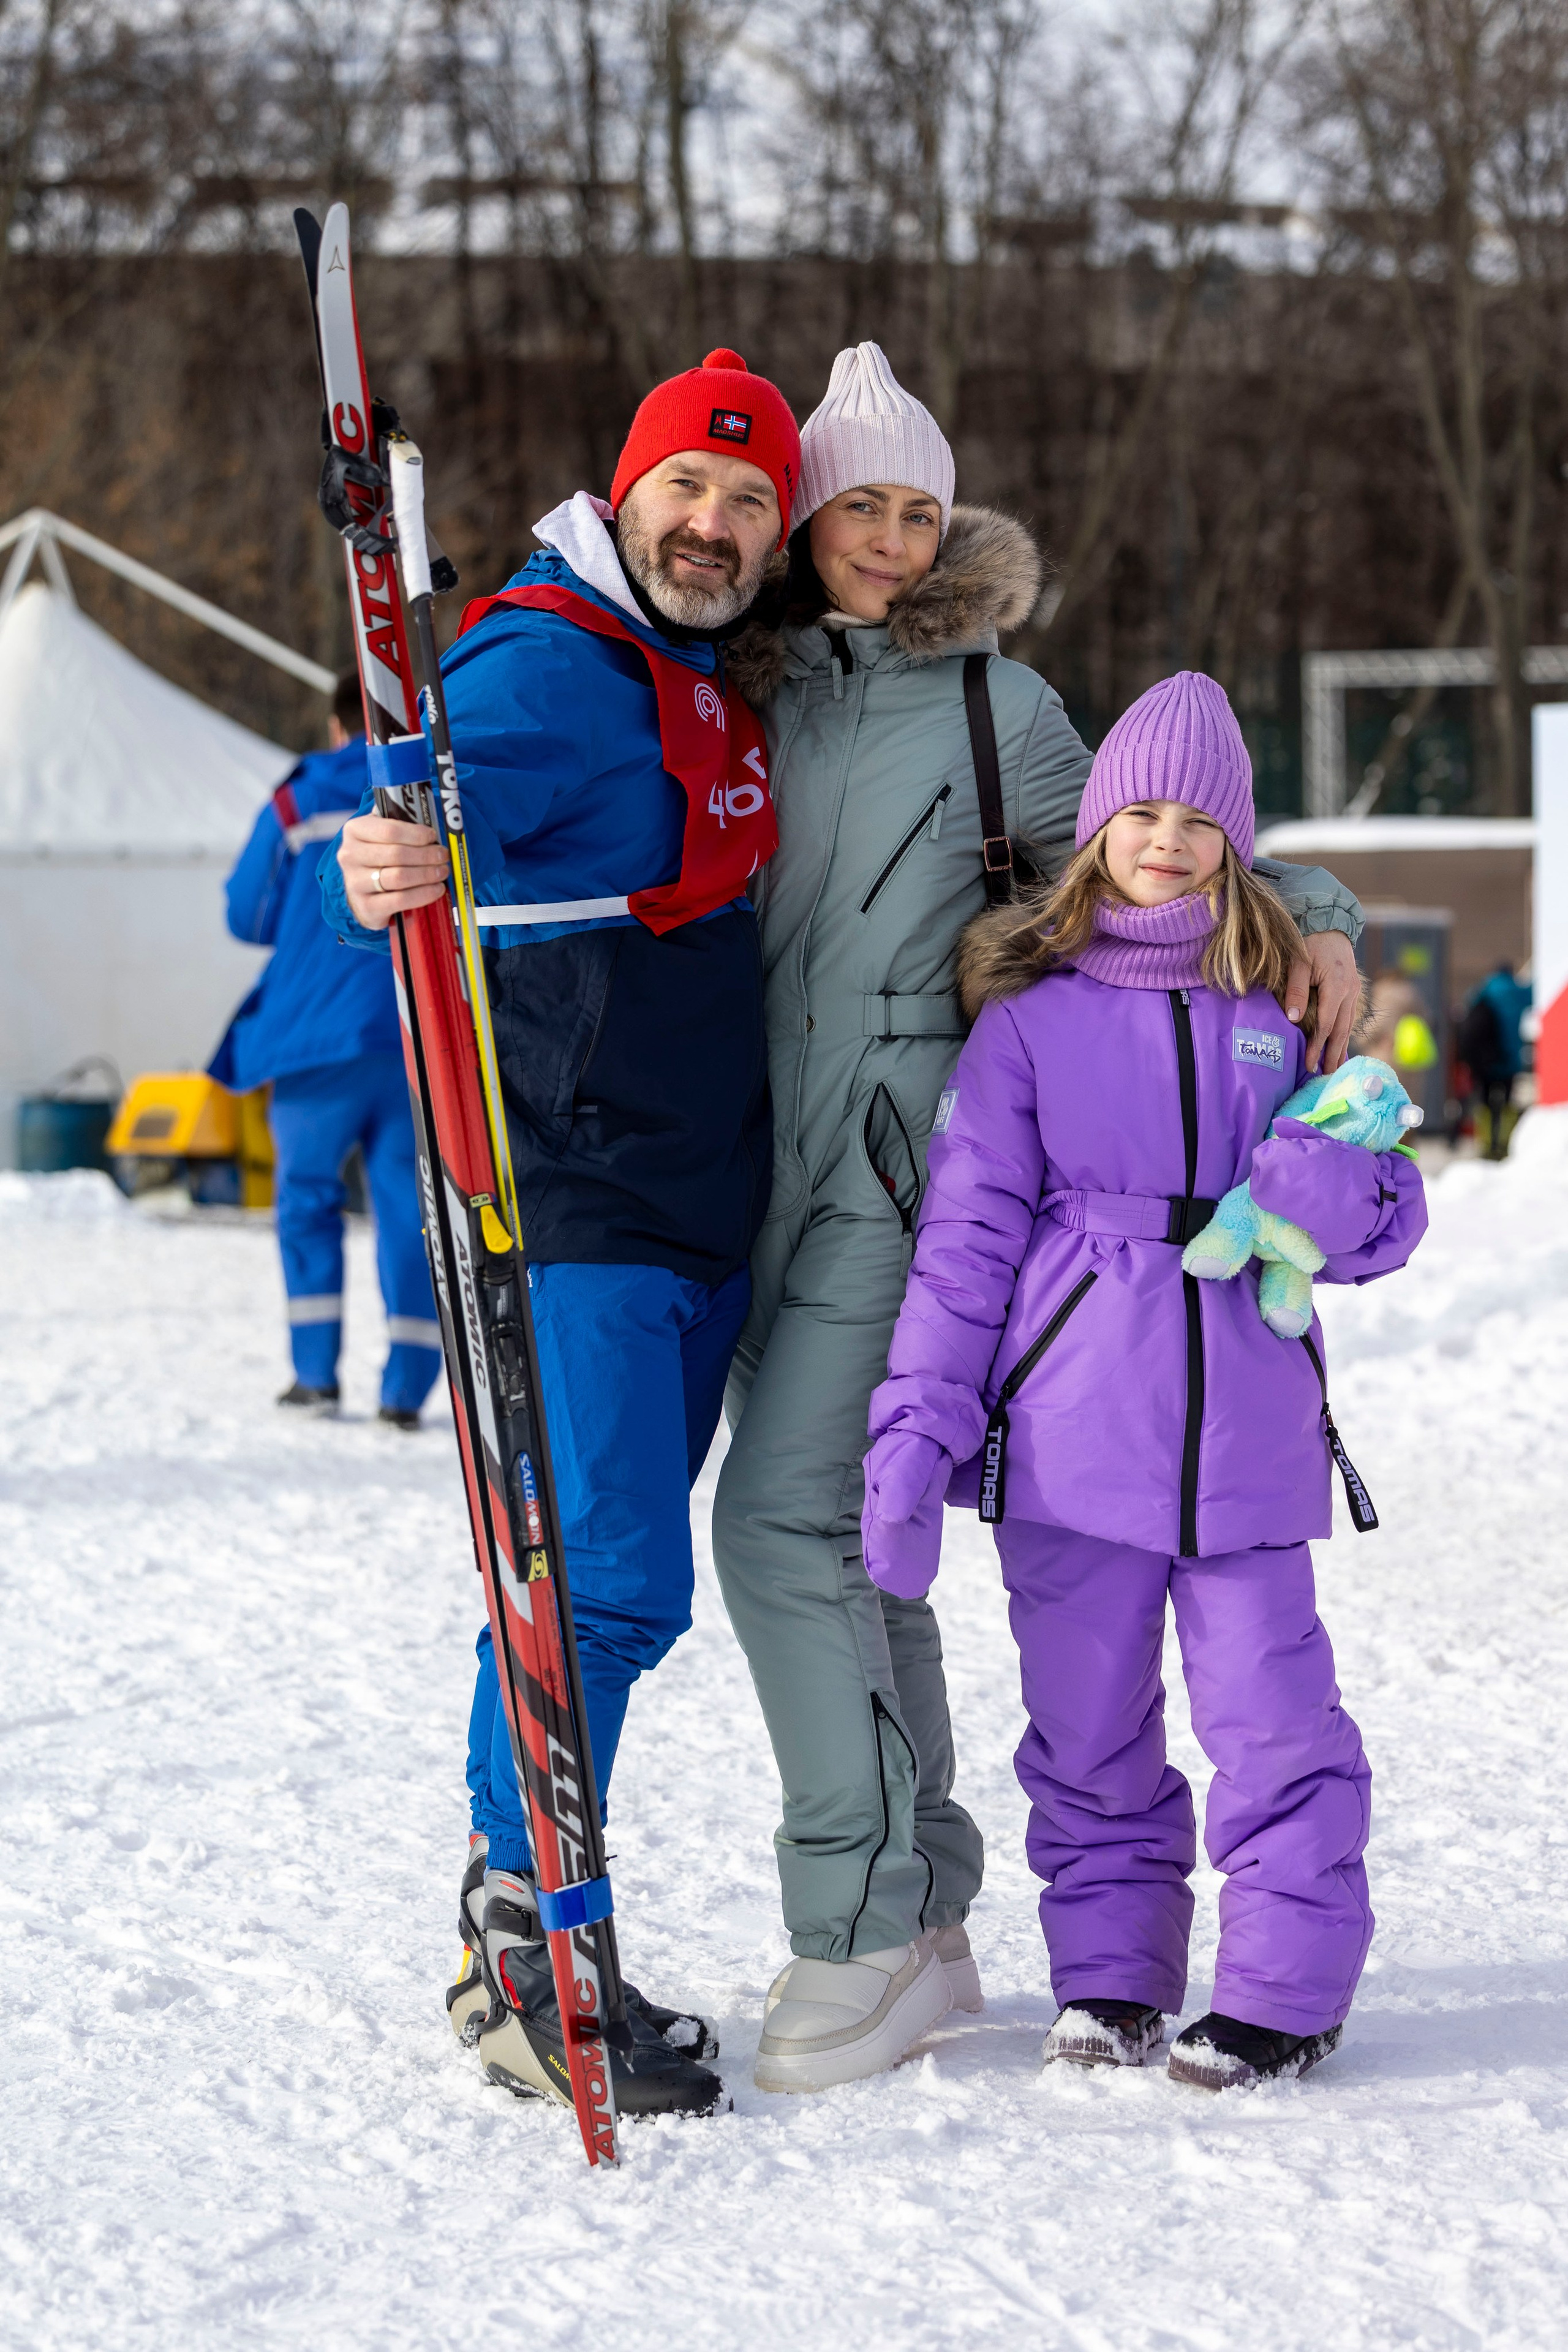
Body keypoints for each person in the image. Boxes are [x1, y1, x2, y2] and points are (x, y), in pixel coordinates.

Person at [713, 344, 1371, 2093]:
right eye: (862, 503)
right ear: (802, 515)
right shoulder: (722, 684)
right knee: (951, 1619)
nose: (893, 539)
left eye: (924, 511)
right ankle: (993, 1928)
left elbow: (1150, 837)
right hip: (741, 1165)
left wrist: (1322, 917)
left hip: (900, 1158)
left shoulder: (996, 704)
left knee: (793, 1533)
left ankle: (885, 1924)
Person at [319, 350, 801, 2119]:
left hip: (697, 1203)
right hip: (575, 1196)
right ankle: (522, 1953)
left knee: (608, 1591)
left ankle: (512, 1914)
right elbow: (428, 790)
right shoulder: (554, 656)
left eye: (751, 501)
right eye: (690, 488)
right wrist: (390, 851)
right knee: (597, 1584)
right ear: (630, 493)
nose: (716, 524)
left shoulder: (710, 671)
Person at [860, 671, 1427, 2091]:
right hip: (1066, 1445)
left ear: (1234, 844)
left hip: (1245, 1445)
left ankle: (1282, 1992)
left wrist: (1325, 1187)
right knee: (1087, 1727)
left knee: (1273, 1724)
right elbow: (964, 1243)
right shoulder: (1028, 1022)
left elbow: (1388, 1211)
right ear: (1098, 826)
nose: (1164, 838)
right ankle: (1111, 1977)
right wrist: (917, 1427)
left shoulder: (1284, 1001)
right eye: (1139, 811)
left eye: (1196, 818)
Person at [214, 671, 442, 1427]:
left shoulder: (298, 797)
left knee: (307, 1202)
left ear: (338, 726)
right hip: (416, 1032)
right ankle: (405, 1391)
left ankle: (315, 1377)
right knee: (413, 1209)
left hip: (313, 1041)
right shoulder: (436, 787)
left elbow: (246, 914)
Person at [1457, 961, 1531, 1159]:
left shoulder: (1483, 990)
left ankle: (1487, 1144)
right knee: (1507, 1103)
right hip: (1510, 1057)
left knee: (1485, 1103)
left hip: (1485, 1061)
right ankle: (1506, 1144)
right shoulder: (1518, 991)